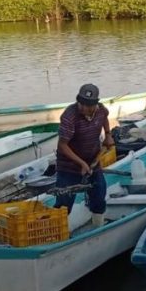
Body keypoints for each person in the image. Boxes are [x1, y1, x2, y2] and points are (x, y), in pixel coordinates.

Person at [55, 84, 115, 227]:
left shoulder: (101, 110)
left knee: (99, 194)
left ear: (95, 105)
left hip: (94, 160)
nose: (84, 108)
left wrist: (108, 135)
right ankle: (57, 232)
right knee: (64, 202)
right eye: (81, 104)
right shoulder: (69, 116)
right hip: (69, 166)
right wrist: (81, 163)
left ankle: (98, 227)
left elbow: (105, 117)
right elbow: (62, 145)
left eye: (88, 105)